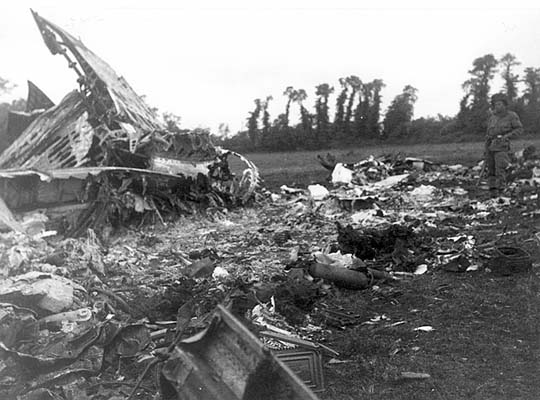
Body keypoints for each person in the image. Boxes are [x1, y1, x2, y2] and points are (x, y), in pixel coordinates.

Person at [484, 93, 523, 196]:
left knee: (500, 168)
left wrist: (506, 136)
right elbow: (488, 133)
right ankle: (492, 190)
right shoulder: (493, 117)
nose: (497, 106)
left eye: (500, 104)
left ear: (505, 105)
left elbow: (519, 129)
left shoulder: (512, 116)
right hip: (491, 146)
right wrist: (486, 147)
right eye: (496, 104)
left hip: (502, 146)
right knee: (491, 169)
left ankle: (502, 190)